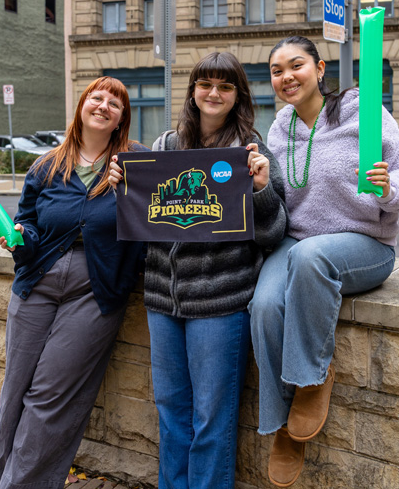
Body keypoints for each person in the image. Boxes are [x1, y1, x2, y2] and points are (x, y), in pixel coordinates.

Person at [249, 36, 399, 487]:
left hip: (365, 243)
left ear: (319, 68)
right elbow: (282, 203)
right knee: (265, 304)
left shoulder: (361, 111)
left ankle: (311, 377)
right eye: (276, 70)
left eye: (296, 65)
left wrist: (387, 188)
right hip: (298, 242)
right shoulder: (279, 128)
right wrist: (262, 187)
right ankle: (280, 425)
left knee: (311, 256)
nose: (286, 77)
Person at [107, 52, 287, 489]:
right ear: (192, 91)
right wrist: (122, 188)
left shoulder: (252, 152)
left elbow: (275, 232)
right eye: (205, 84)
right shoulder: (166, 145)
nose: (214, 93)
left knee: (212, 418)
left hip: (220, 303)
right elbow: (148, 218)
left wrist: (261, 189)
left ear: (237, 96)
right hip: (163, 300)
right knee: (171, 411)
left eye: (225, 86)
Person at [0, 76, 146, 489]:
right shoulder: (47, 165)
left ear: (121, 120)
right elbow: (27, 220)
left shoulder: (135, 163)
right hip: (35, 282)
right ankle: (7, 478)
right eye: (96, 97)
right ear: (81, 107)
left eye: (114, 103)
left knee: (49, 396)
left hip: (94, 289)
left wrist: (127, 191)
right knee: (15, 390)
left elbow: (158, 217)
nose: (104, 105)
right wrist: (18, 237)